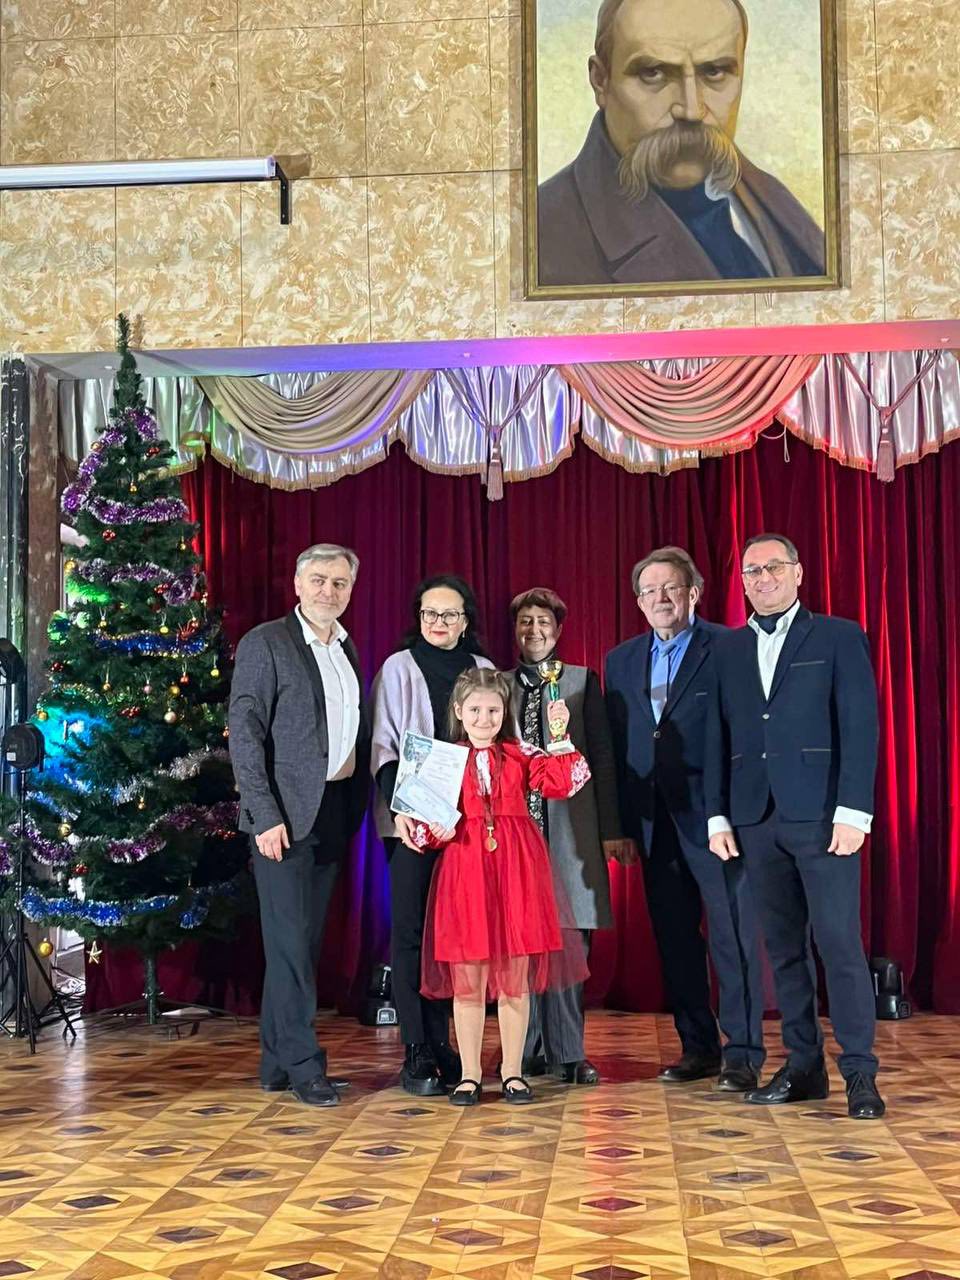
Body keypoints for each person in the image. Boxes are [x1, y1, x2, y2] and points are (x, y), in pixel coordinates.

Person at [706, 533, 884, 1119]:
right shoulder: (728, 649)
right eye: (752, 571)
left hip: (825, 819)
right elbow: (717, 736)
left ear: (798, 572)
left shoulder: (838, 636)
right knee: (783, 952)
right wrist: (717, 815)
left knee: (839, 944)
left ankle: (860, 1073)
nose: (762, 579)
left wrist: (854, 812)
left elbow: (859, 726)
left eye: (773, 568)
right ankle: (804, 1067)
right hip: (755, 820)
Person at [605, 547, 764, 1090]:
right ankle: (699, 1048)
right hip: (653, 823)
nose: (661, 598)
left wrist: (733, 812)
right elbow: (618, 745)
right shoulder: (620, 660)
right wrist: (620, 825)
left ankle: (743, 1053)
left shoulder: (730, 646)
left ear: (693, 593)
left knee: (732, 938)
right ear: (638, 601)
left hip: (717, 819)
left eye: (671, 587)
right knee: (675, 940)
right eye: (649, 590)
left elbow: (746, 732)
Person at [537, 0, 825, 287]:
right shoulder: (543, 235)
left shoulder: (769, 194)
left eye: (714, 72)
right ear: (601, 81)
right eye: (653, 73)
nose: (691, 110)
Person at [229, 544, 370, 1107]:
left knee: (303, 945)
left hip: (332, 811)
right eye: (318, 580)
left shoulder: (345, 647)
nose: (328, 591)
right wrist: (263, 815)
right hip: (283, 820)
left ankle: (275, 1063)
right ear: (297, 583)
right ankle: (306, 1065)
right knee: (290, 945)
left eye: (339, 583)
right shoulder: (266, 643)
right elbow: (244, 734)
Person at [412, 668, 592, 1106]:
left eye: (493, 710)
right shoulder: (445, 759)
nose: (484, 718)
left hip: (517, 871)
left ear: (504, 711)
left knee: (515, 978)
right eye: (475, 709)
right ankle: (469, 1075)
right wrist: (434, 829)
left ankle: (512, 1072)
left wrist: (560, 736)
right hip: (465, 871)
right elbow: (423, 825)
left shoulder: (521, 753)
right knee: (468, 980)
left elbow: (564, 782)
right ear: (459, 711)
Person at [371, 574, 493, 1097]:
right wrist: (402, 810)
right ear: (418, 617)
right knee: (411, 933)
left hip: (468, 825)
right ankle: (417, 1047)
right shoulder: (397, 668)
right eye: (430, 613)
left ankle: (444, 1042)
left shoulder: (484, 669)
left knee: (454, 937)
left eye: (449, 614)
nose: (439, 622)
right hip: (410, 823)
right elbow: (382, 746)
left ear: (466, 621)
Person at [507, 587, 626, 1085]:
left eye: (543, 622)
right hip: (515, 832)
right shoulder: (498, 685)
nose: (534, 630)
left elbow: (602, 757)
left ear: (557, 630)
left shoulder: (581, 681)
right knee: (520, 945)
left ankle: (569, 1053)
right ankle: (526, 1049)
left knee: (569, 941)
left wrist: (612, 829)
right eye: (525, 621)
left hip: (571, 832)